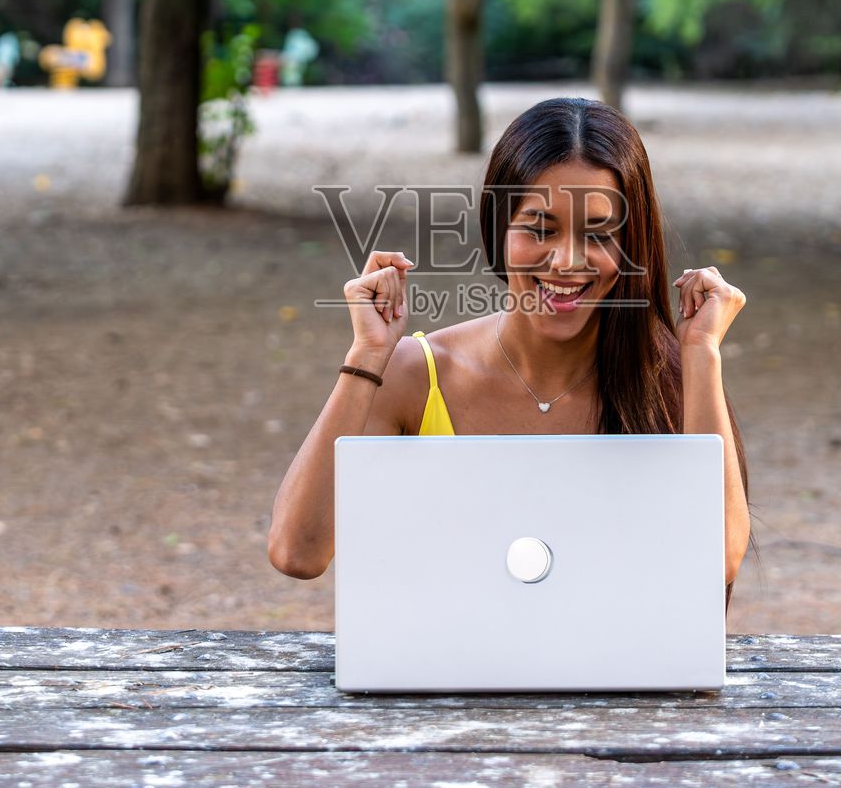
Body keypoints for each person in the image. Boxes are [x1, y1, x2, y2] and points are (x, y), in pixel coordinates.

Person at [268, 96, 754, 612]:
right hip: (441, 684)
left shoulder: (666, 377)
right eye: (539, 229)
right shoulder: (418, 374)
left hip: (614, 688)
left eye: (599, 234)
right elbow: (297, 551)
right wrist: (368, 353)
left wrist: (701, 353)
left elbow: (717, 560)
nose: (566, 261)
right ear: (497, 229)